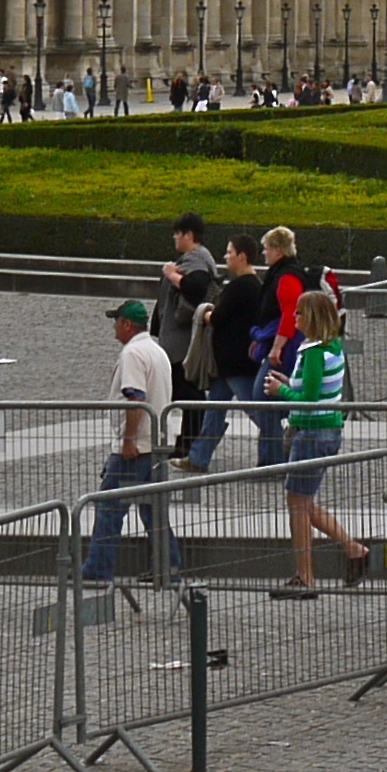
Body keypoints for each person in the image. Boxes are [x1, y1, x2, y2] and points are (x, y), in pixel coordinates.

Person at [268, 290, 369, 597]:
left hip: (311, 431)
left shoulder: (312, 351)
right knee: (304, 502)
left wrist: (281, 391)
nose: (294, 317)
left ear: (310, 317)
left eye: (299, 312)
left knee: (297, 504)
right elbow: (317, 390)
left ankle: (306, 576)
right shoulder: (331, 346)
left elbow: (309, 399)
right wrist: (290, 384)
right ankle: (353, 549)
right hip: (327, 430)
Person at [79, 300, 174, 585]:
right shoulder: (157, 351)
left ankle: (98, 570)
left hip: (136, 446)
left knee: (109, 507)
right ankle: (168, 565)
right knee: (152, 510)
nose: (114, 326)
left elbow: (136, 399)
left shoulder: (133, 353)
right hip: (156, 443)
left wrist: (128, 440)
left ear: (127, 324)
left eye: (116, 320)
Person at [185, 233, 269, 473]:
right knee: (214, 409)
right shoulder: (256, 285)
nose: (226, 257)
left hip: (234, 362)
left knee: (257, 410)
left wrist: (204, 313)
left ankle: (283, 440)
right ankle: (198, 458)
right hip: (232, 362)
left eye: (229, 252)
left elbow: (218, 318)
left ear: (242, 257)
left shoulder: (239, 287)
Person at [157, 213, 215, 457]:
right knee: (187, 390)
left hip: (181, 341)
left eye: (177, 234)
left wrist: (171, 274)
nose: (174, 238)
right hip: (179, 339)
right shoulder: (197, 259)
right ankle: (188, 439)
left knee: (186, 390)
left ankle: (189, 440)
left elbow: (195, 287)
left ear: (189, 235)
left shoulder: (196, 260)